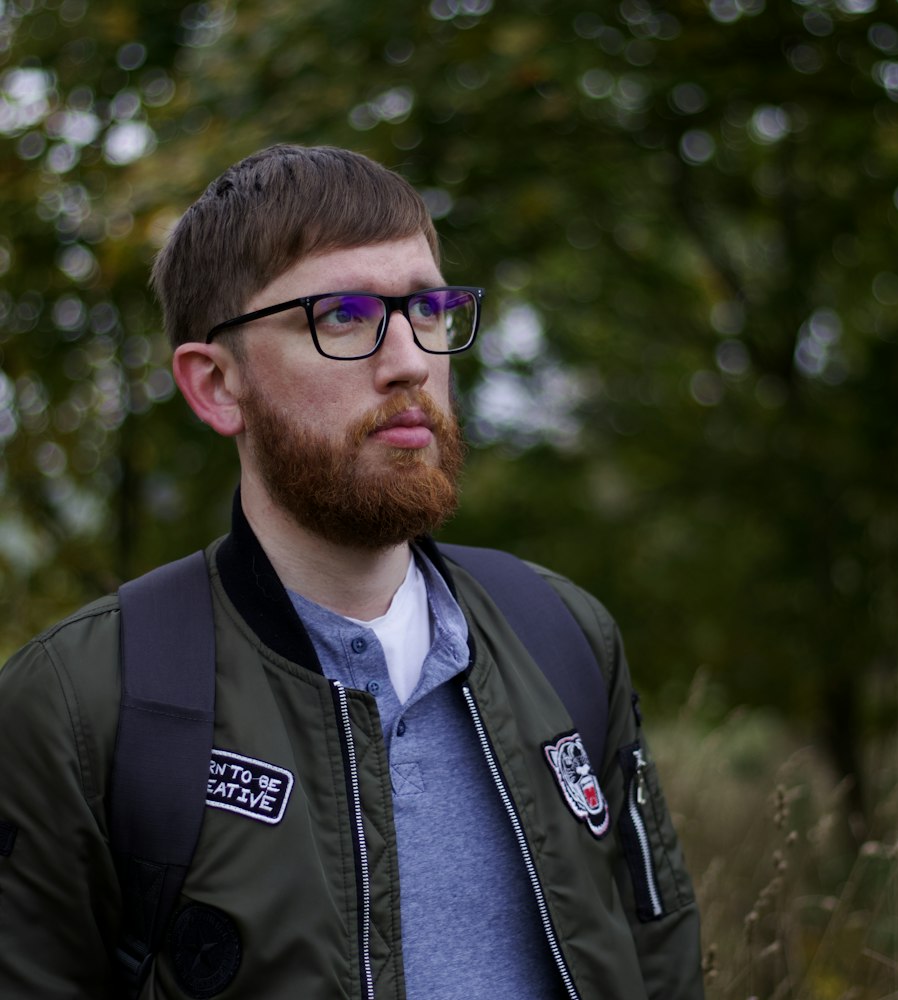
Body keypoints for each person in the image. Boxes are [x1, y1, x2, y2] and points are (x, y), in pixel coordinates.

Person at [0, 144, 704, 1000]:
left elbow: (662, 964)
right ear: (217, 386)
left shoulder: (562, 637)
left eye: (430, 310)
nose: (410, 360)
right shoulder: (83, 703)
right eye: (343, 314)